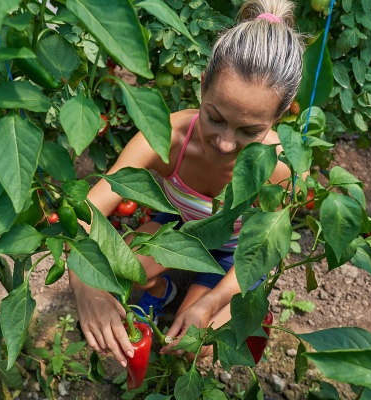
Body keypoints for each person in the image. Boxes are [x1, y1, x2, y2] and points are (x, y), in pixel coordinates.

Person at [69, 0, 306, 367]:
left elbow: (265, 253)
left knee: (205, 342)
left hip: (237, 256)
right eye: (214, 117)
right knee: (113, 271)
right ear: (201, 88)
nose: (225, 143)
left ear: (279, 116)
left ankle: (204, 299)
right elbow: (84, 213)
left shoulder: (283, 168)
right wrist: (86, 287)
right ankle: (165, 291)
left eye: (250, 131)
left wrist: (212, 303)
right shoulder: (166, 138)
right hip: (179, 232)